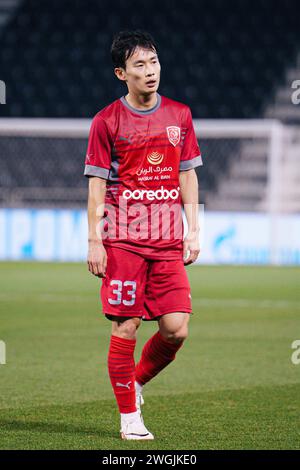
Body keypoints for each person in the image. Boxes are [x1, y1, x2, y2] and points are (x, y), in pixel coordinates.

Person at [84, 30, 202, 440]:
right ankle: (129, 418)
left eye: (153, 62)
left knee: (176, 329)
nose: (150, 71)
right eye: (139, 65)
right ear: (122, 73)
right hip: (124, 239)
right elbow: (96, 185)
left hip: (168, 240)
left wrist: (193, 230)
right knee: (126, 328)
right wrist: (95, 240)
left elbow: (187, 174)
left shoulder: (180, 115)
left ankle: (134, 384)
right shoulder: (106, 121)